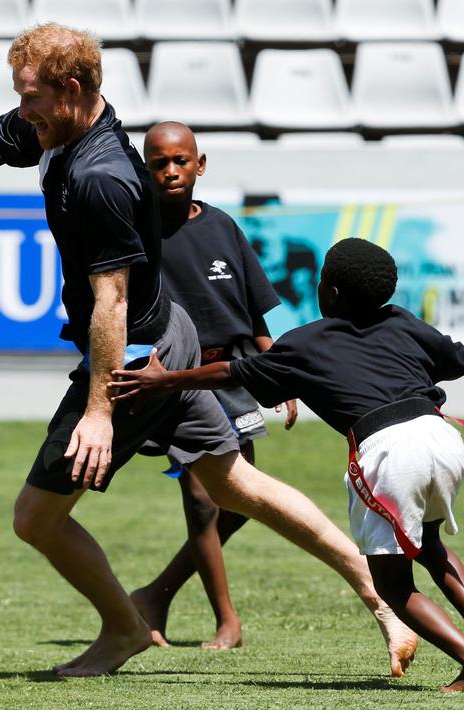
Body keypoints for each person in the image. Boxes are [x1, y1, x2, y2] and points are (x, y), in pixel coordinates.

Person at [0, 23, 417, 677]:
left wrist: (98, 409)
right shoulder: (51, 125)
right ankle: (386, 603)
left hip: (137, 356)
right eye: (18, 97)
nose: (20, 111)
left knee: (36, 519)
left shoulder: (101, 179)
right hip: (164, 330)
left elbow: (109, 304)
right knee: (237, 486)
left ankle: (121, 631)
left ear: (72, 89)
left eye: (29, 98)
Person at [109, 237, 464, 692]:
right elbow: (460, 359)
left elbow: (231, 372)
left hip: (389, 451)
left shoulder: (305, 343)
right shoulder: (402, 322)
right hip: (442, 437)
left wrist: (165, 381)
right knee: (431, 545)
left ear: (332, 293)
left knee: (393, 585)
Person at [129, 122, 298, 650]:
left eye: (181, 161)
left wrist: (282, 375)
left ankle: (154, 594)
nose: (171, 171)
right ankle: (228, 621)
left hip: (231, 378)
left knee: (241, 499)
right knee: (203, 499)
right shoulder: (136, 232)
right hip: (174, 378)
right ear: (145, 170)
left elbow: (257, 318)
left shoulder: (223, 226)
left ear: (200, 165)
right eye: (159, 163)